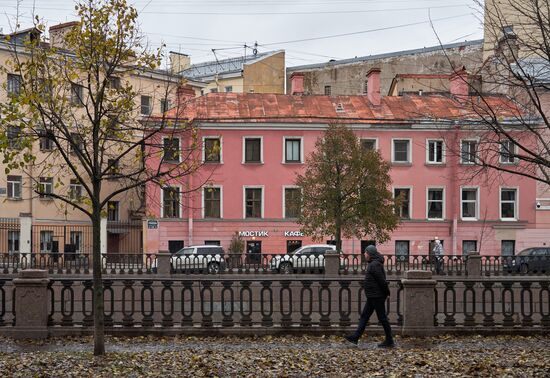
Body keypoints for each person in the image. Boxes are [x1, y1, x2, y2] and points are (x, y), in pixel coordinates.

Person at [344, 245, 395, 348]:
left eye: (366, 252)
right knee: (365, 315)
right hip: (373, 296)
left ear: (370, 254)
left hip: (377, 296)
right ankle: (355, 337)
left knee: (382, 318)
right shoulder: (373, 264)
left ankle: (389, 340)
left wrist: (387, 292)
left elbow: (382, 281)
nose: (364, 254)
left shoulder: (374, 265)